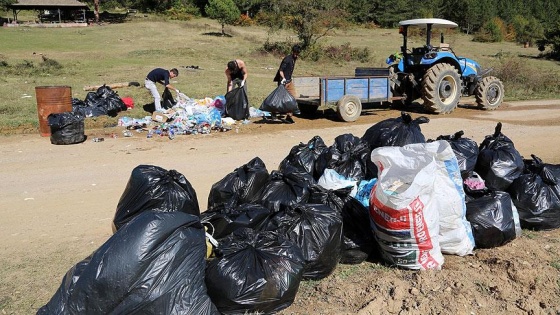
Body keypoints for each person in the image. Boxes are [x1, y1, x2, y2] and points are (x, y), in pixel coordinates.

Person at [273, 44, 301, 124]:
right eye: (295, 53)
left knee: (293, 98)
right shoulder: (287, 59)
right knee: (280, 99)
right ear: (292, 52)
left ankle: (289, 116)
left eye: (298, 54)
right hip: (283, 82)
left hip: (290, 81)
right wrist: (283, 79)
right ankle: (274, 113)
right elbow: (281, 70)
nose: (296, 55)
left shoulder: (294, 59)